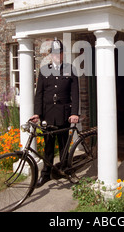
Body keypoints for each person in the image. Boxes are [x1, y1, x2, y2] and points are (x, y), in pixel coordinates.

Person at [30, 38, 80, 187]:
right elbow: (39, 94)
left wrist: (74, 113)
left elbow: (75, 94)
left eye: (59, 53)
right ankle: (46, 173)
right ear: (51, 55)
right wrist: (37, 113)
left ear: (63, 54)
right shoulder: (44, 70)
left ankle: (65, 169)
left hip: (64, 115)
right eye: (54, 53)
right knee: (48, 146)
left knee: (64, 145)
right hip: (48, 115)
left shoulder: (71, 69)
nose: (57, 56)